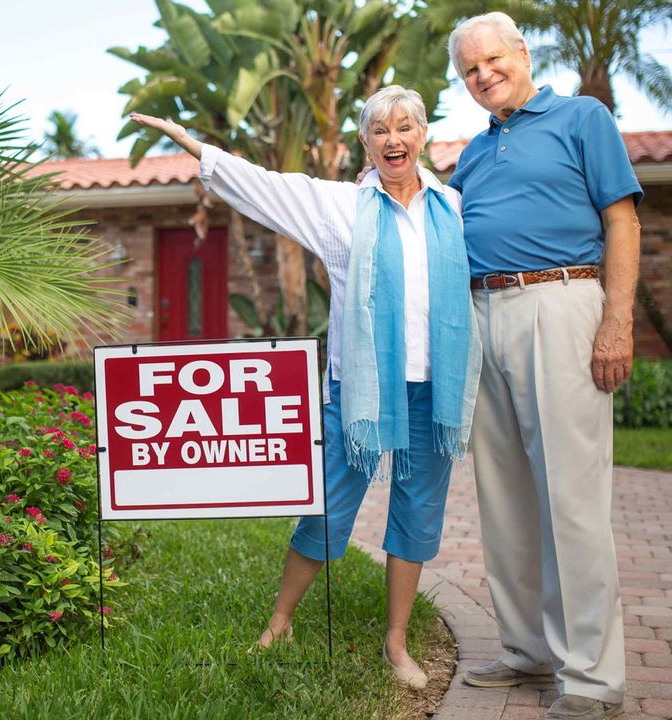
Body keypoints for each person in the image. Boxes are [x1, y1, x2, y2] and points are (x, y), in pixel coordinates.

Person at [130, 84, 481, 690]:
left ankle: (395, 641)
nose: (393, 139)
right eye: (380, 130)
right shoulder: (339, 205)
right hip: (361, 390)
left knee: (418, 510)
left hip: (433, 385)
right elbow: (263, 185)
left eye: (404, 127)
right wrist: (194, 146)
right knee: (327, 503)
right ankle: (281, 621)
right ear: (365, 143)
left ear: (423, 133)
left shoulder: (451, 206)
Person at [445, 12, 642, 720]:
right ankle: (527, 648)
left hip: (561, 303)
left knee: (572, 499)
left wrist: (615, 320)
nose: (483, 75)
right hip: (481, 315)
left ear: (523, 53)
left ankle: (591, 678)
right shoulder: (470, 153)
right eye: (469, 70)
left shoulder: (582, 118)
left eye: (492, 60)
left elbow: (623, 219)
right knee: (503, 496)